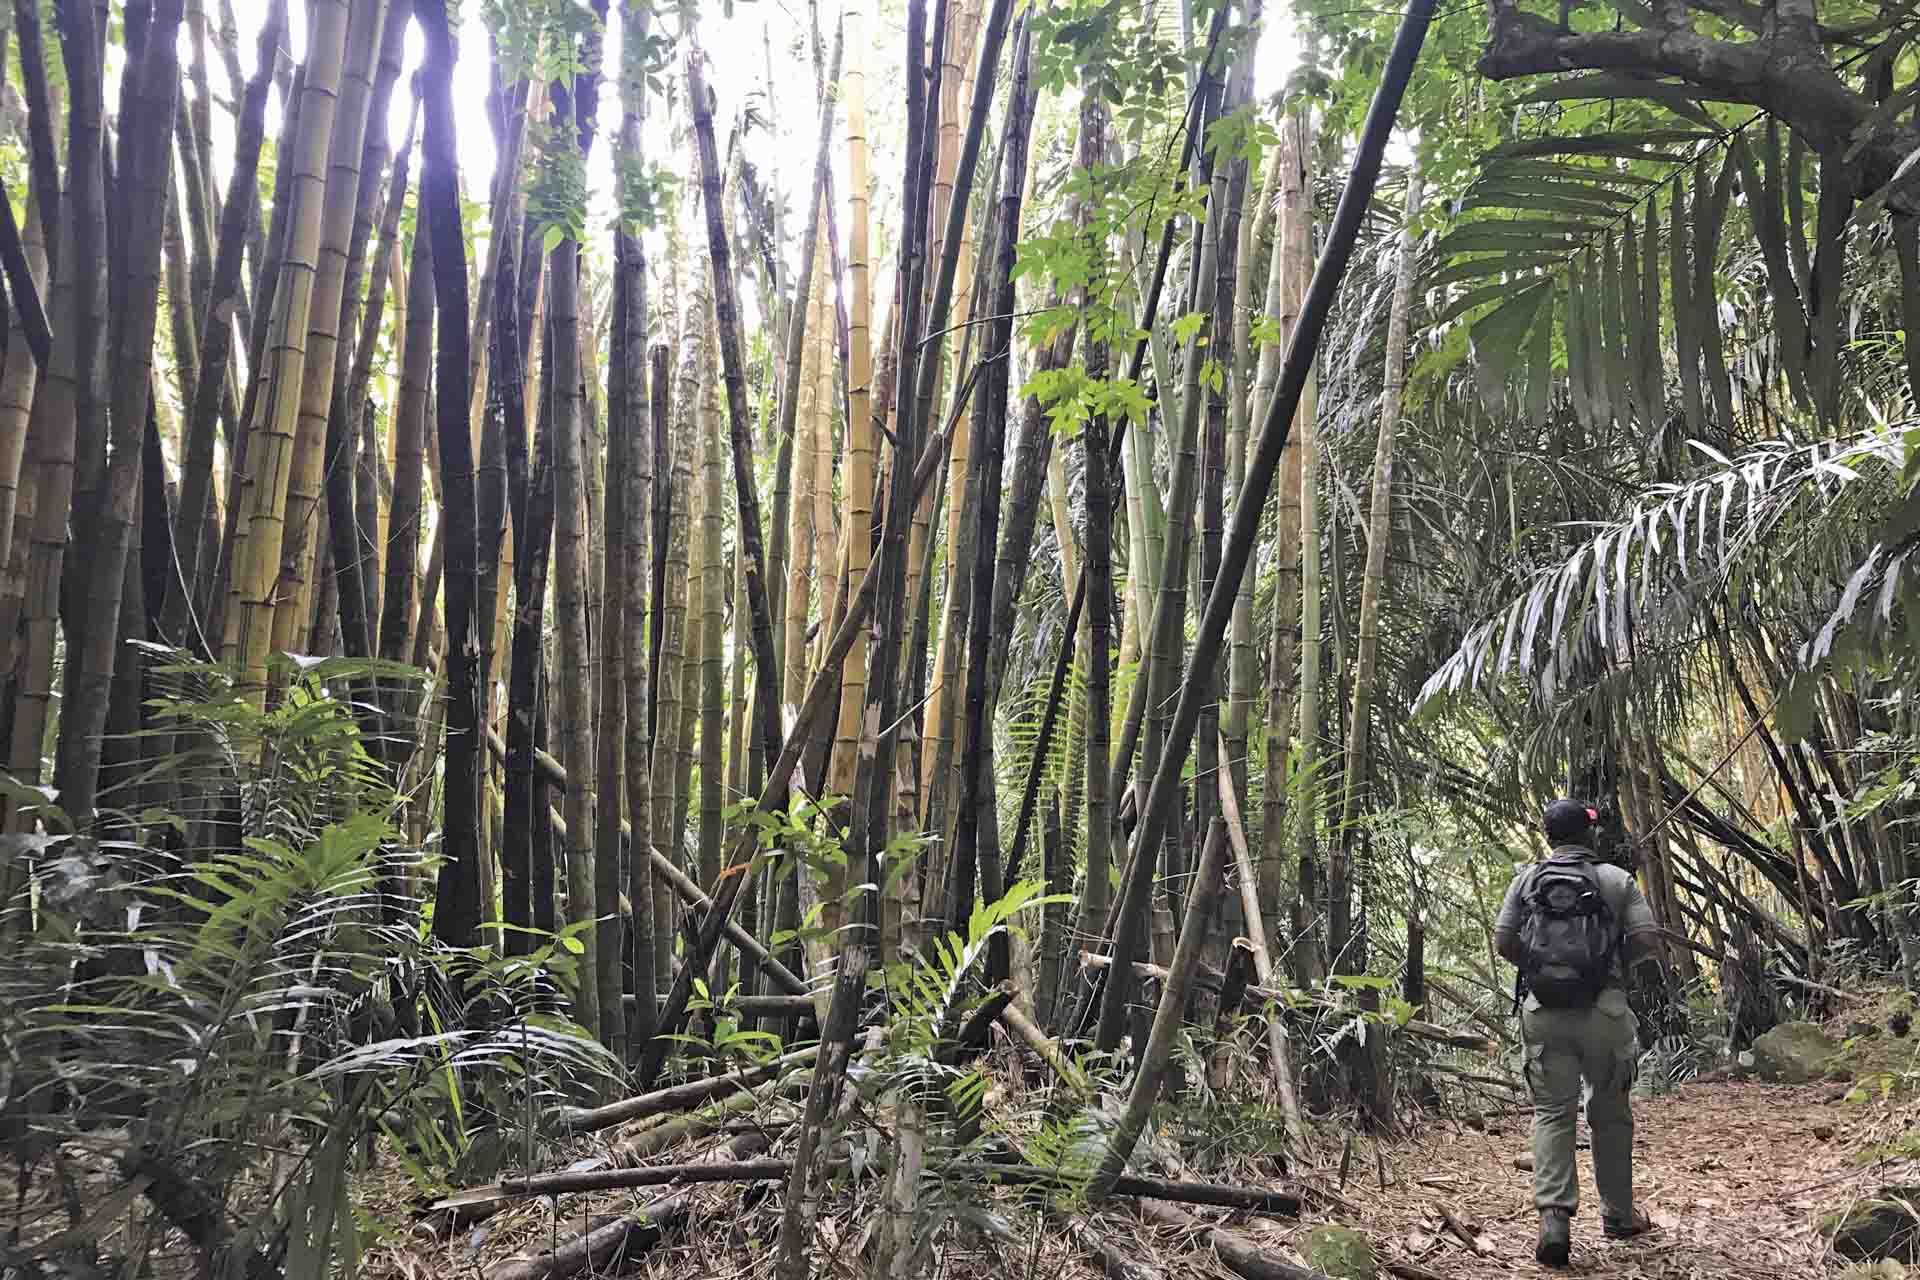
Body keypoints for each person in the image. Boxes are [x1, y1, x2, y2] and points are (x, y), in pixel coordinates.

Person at [1493, 798, 1665, 1267]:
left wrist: (1541, 969)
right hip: (1605, 1013)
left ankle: (1554, 1220)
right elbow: (1648, 939)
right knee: (1610, 1113)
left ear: (1549, 836)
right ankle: (1619, 1216)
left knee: (1552, 1114)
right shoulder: (1615, 879)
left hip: (1544, 1012)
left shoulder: (1526, 880)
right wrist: (1608, 967)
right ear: (1589, 835)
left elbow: (1504, 941)